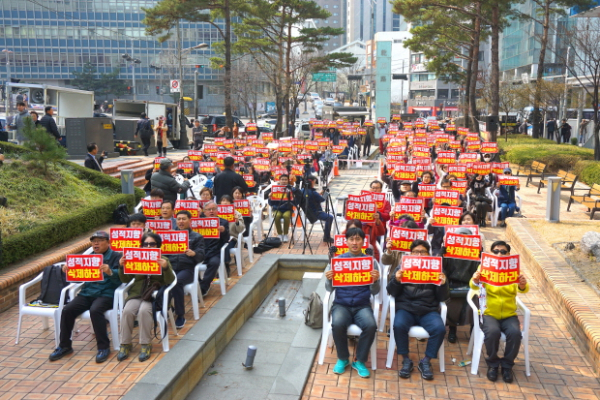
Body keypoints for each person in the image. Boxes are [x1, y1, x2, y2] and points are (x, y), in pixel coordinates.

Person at [49, 231, 123, 363]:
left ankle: (103, 347)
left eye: (100, 240)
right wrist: (69, 270)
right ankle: (64, 346)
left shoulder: (116, 257)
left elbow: (122, 279)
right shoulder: (88, 257)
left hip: (107, 294)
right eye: (94, 240)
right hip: (87, 293)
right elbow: (79, 279)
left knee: (95, 310)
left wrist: (110, 271)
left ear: (108, 242)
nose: (96, 243)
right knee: (67, 310)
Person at [387, 240, 448, 380]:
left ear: (429, 253)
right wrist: (396, 280)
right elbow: (391, 292)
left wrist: (443, 284)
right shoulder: (402, 267)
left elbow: (443, 297)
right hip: (406, 309)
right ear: (410, 253)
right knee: (398, 325)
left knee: (439, 329)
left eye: (423, 252)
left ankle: (426, 361)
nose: (419, 255)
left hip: (428, 310)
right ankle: (406, 359)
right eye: (416, 252)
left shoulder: (437, 269)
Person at [324, 227, 380, 379]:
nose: (355, 242)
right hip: (342, 304)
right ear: (346, 241)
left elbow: (375, 292)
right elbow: (329, 289)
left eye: (358, 239)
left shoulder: (370, 262)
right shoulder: (338, 261)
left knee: (370, 325)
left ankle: (359, 360)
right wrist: (329, 278)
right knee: (338, 324)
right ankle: (343, 358)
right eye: (351, 239)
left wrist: (375, 280)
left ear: (363, 242)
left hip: (362, 305)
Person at [470, 241, 529, 383]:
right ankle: (493, 364)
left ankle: (507, 366)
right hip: (489, 312)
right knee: (492, 333)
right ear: (491, 253)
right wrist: (475, 279)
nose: (499, 254)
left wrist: (522, 284)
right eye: (496, 251)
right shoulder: (484, 267)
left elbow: (524, 289)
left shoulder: (514, 268)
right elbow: (473, 285)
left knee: (515, 334)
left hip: (509, 314)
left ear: (509, 254)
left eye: (503, 251)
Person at [117, 232, 176, 362]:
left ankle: (145, 344)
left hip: (153, 295)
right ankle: (125, 343)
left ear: (158, 246)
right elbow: (125, 278)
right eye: (145, 244)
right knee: (127, 311)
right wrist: (121, 266)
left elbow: (170, 281)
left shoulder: (164, 259)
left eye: (152, 244)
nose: (148, 247)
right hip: (137, 293)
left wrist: (165, 268)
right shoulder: (135, 258)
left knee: (144, 311)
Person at [166, 211, 205, 328]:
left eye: (184, 219)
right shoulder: (170, 235)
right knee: (160, 280)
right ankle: (165, 308)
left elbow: (202, 256)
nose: (181, 221)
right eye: (178, 219)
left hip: (187, 269)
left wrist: (194, 254)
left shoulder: (197, 237)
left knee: (176, 282)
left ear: (190, 220)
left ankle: (180, 315)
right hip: (171, 267)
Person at [442, 227, 481, 343]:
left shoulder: (475, 254)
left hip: (470, 284)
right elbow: (442, 266)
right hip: (452, 282)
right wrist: (442, 251)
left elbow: (479, 269)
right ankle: (452, 329)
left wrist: (479, 253)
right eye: (460, 237)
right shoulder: (449, 253)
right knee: (452, 304)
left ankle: (474, 331)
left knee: (476, 303)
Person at [198, 201, 230, 295]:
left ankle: (203, 287)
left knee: (214, 262)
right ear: (204, 212)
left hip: (215, 251)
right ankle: (198, 283)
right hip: (200, 251)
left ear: (217, 211)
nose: (211, 211)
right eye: (209, 210)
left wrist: (224, 231)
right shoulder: (198, 222)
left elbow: (227, 240)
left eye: (213, 209)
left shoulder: (223, 222)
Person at [301, 176, 334, 242]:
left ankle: (326, 237)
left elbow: (312, 197)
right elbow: (322, 199)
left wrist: (320, 193)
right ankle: (327, 237)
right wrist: (326, 193)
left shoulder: (302, 190)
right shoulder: (313, 193)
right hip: (315, 213)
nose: (315, 183)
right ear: (312, 182)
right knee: (330, 217)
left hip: (306, 212)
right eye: (315, 182)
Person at [268, 174, 295, 242]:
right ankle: (280, 234)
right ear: (279, 180)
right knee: (277, 216)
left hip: (287, 209)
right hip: (277, 209)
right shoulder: (275, 189)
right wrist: (270, 197)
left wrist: (293, 197)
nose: (284, 181)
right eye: (282, 179)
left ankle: (285, 234)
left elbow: (295, 202)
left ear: (288, 181)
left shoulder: (291, 189)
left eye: (285, 180)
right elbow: (271, 203)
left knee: (286, 216)